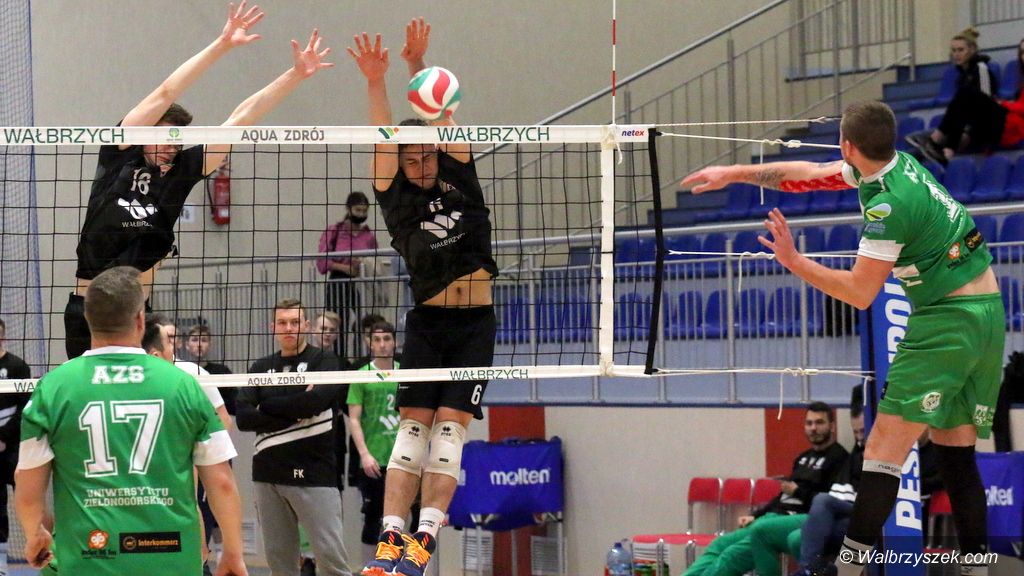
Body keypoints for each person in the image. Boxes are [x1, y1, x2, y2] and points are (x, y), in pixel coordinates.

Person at [683, 100, 1004, 576]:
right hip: (988, 314)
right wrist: (734, 173)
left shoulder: (888, 207)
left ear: (847, 145)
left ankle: (848, 571)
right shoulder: (898, 163)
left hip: (947, 321)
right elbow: (809, 174)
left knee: (881, 453)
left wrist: (795, 262)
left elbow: (859, 292)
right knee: (956, 458)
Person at [64, 2, 333, 359]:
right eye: (164, 137)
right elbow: (165, 92)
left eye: (177, 140)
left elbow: (241, 119)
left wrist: (295, 75)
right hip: (88, 313)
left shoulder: (183, 170)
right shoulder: (120, 153)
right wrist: (223, 43)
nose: (171, 146)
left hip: (136, 317)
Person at [349, 18, 498, 576]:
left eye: (426, 157)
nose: (420, 166)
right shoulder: (395, 198)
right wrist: (376, 81)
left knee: (450, 432)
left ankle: (424, 539)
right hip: (429, 323)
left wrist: (417, 67)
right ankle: (390, 540)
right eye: (410, 160)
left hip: (475, 322)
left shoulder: (461, 175)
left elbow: (441, 108)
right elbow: (384, 137)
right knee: (413, 430)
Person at [14, 266, 245, 575]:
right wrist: (232, 553)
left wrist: (35, 533)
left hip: (88, 558)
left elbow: (27, 483)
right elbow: (222, 483)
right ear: (140, 319)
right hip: (170, 559)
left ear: (88, 318)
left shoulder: (53, 388)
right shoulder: (183, 385)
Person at [235, 299, 351, 576]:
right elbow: (244, 418)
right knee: (280, 564)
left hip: (314, 473)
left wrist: (266, 405)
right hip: (268, 474)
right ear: (273, 327)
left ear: (306, 326)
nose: (289, 328)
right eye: (283, 323)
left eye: (295, 322)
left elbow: (315, 402)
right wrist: (297, 407)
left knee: (332, 562)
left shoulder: (325, 361)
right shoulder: (260, 367)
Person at [683, 402, 849, 576]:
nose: (813, 428)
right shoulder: (803, 458)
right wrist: (755, 515)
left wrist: (797, 491)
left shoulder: (839, 458)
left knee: (732, 555)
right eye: (809, 423)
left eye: (819, 423)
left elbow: (829, 505)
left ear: (832, 426)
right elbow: (781, 497)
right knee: (719, 544)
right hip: (771, 515)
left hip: (794, 519)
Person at [348, 321, 421, 565]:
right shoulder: (362, 375)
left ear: (395, 342)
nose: (382, 344)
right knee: (373, 520)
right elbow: (354, 419)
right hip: (375, 461)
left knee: (415, 519)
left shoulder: (405, 373)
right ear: (369, 343)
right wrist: (364, 454)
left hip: (405, 459)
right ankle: (370, 569)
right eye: (377, 339)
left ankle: (409, 568)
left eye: (387, 339)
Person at [905, 28, 1002, 164]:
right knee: (918, 146)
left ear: (972, 50)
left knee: (964, 95)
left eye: (961, 50)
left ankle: (940, 143)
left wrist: (965, 130)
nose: (956, 54)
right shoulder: (962, 76)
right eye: (954, 50)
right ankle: (932, 148)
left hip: (986, 124)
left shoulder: (981, 68)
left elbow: (985, 103)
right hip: (966, 125)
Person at [317, 192, 378, 360]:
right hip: (339, 281)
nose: (361, 214)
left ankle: (363, 357)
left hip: (362, 282)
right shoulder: (334, 231)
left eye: (364, 211)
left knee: (367, 320)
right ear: (349, 209)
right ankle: (339, 360)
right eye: (358, 210)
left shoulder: (369, 236)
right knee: (338, 322)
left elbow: (375, 259)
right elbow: (322, 263)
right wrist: (344, 268)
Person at [0, 319, 31, 575]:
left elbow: (25, 407)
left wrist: (3, 437)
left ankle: (43, 549)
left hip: (13, 448)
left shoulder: (17, 366)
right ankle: (1, 563)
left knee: (27, 500)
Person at [186, 324, 237, 416]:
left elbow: (234, 404)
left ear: (210, 345)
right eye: (194, 340)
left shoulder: (222, 371)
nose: (199, 344)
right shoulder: (180, 371)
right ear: (187, 345)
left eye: (204, 340)